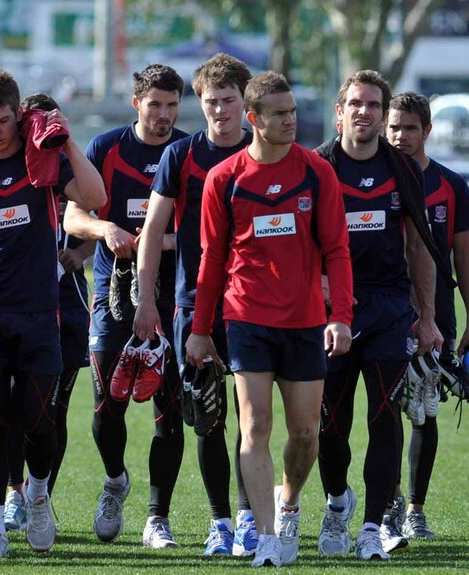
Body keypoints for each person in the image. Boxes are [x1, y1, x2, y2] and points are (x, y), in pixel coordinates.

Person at [186, 71, 353, 567]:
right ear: (254, 119)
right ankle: (267, 538)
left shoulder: (317, 172)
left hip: (304, 321)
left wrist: (339, 316)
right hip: (246, 319)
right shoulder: (224, 178)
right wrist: (199, 330)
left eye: (294, 111)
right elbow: (211, 261)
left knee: (305, 435)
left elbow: (338, 250)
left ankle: (289, 503)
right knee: (254, 426)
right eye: (279, 114)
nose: (291, 121)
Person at [0, 68, 105, 560]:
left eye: (4, 120)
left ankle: (37, 494)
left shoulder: (44, 161)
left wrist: (64, 136)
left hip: (40, 314)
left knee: (39, 418)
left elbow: (96, 200)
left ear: (20, 115)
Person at [315, 70, 448, 561]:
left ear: (383, 111)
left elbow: (421, 245)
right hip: (333, 313)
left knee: (385, 415)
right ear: (340, 110)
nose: (364, 112)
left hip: (390, 308)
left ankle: (373, 526)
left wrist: (428, 316)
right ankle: (335, 505)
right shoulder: (317, 166)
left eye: (374, 104)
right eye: (356, 103)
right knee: (328, 425)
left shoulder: (404, 169)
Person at [133, 53, 256, 556]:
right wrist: (145, 299)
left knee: (256, 420)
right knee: (207, 416)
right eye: (212, 101)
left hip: (256, 306)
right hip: (192, 306)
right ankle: (221, 523)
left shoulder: (265, 151)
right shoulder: (180, 155)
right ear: (199, 104)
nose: (220, 110)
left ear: (246, 105)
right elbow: (151, 233)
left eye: (229, 101)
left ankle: (252, 519)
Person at [63, 64, 186, 549]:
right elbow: (73, 213)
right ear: (137, 104)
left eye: (172, 105)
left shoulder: (187, 153)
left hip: (174, 294)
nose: (163, 115)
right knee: (105, 406)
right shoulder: (106, 149)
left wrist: (155, 241)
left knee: (169, 406)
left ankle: (158, 517)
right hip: (111, 295)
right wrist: (106, 230)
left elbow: (204, 229)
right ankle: (115, 480)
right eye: (155, 105)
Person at [1, 93, 94, 531]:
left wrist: (78, 251)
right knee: (9, 408)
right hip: (14, 304)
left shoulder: (63, 161)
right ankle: (12, 491)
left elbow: (90, 211)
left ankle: (41, 496)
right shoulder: (10, 165)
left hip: (66, 305)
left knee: (50, 411)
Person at [381, 91, 469, 547]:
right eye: (393, 127)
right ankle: (391, 501)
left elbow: (463, 257)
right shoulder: (373, 178)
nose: (400, 136)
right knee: (387, 410)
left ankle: (415, 508)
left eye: (410, 128)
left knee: (424, 407)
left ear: (427, 131)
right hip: (386, 310)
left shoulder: (452, 185)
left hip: (438, 312)